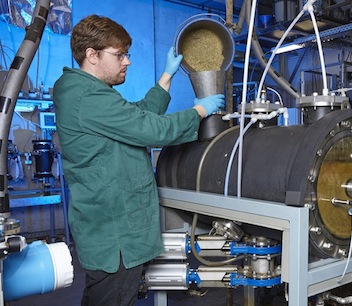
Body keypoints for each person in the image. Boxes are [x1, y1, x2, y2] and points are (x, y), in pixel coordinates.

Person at [53, 14, 224, 306]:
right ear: (92, 55)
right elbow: (151, 130)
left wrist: (167, 76)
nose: (127, 61)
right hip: (115, 235)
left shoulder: (89, 93)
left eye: (127, 54)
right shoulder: (87, 97)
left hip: (108, 228)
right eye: (119, 55)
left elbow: (137, 115)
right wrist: (199, 111)